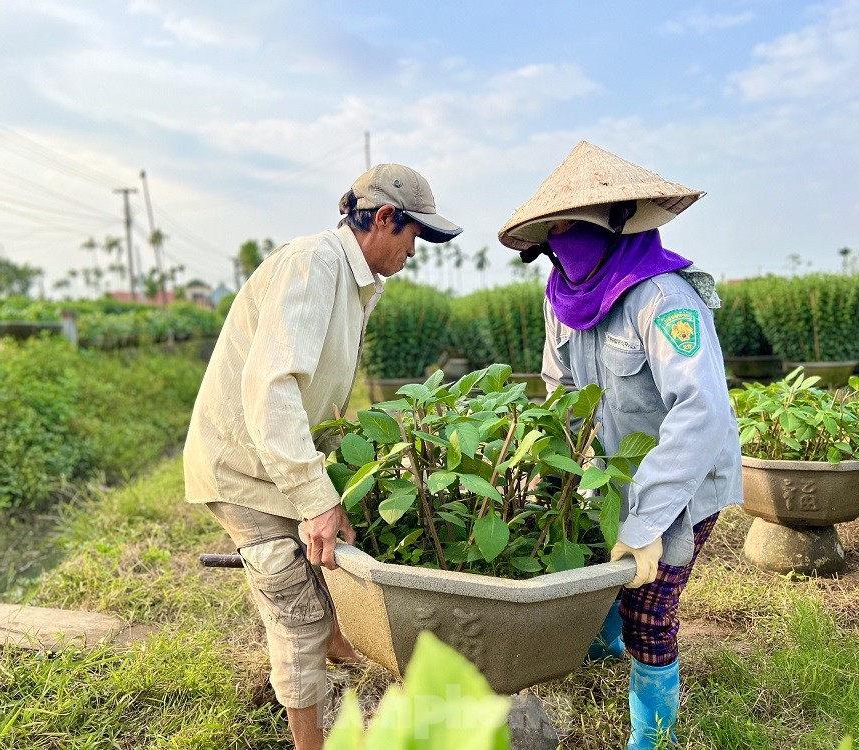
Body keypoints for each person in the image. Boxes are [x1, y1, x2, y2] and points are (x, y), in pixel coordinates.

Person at [183, 163, 461, 750]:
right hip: (244, 468)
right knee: (297, 613)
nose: (416, 251)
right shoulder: (313, 263)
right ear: (385, 218)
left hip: (278, 458)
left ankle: (335, 643)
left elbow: (319, 392)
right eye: (416, 235)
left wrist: (331, 488)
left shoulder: (354, 280)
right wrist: (315, 500)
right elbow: (272, 389)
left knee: (331, 555)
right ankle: (309, 738)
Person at [498, 141, 743, 750]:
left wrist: (647, 521)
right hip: (612, 476)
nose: (561, 243)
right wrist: (544, 483)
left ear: (615, 223)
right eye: (552, 233)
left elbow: (701, 414)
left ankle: (652, 736)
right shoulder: (563, 297)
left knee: (651, 605)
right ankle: (607, 647)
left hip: (684, 477)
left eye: (569, 227)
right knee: (604, 568)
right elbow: (561, 397)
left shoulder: (663, 300)